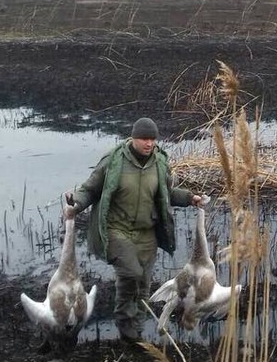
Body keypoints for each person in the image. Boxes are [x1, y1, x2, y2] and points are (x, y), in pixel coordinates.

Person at [64, 117, 204, 343]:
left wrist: (190, 198)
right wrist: (76, 203)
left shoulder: (159, 162)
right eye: (144, 139)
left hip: (146, 233)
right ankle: (123, 320)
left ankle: (134, 331)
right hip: (117, 229)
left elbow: (167, 193)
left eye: (152, 139)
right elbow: (90, 189)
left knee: (143, 286)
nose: (149, 144)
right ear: (133, 138)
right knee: (131, 273)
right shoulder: (114, 161)